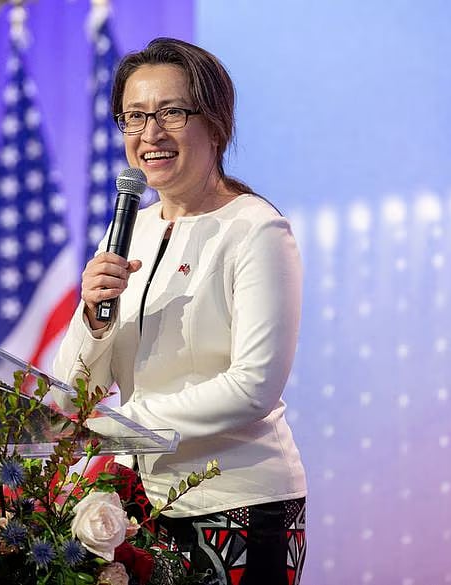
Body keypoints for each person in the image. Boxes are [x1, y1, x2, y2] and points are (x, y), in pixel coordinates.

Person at [52, 37, 306, 584]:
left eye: (170, 113)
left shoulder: (255, 229)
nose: (150, 135)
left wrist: (123, 427)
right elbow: (70, 393)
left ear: (214, 123)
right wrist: (94, 320)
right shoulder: (131, 229)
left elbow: (253, 385)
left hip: (235, 504)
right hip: (137, 509)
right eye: (134, 117)